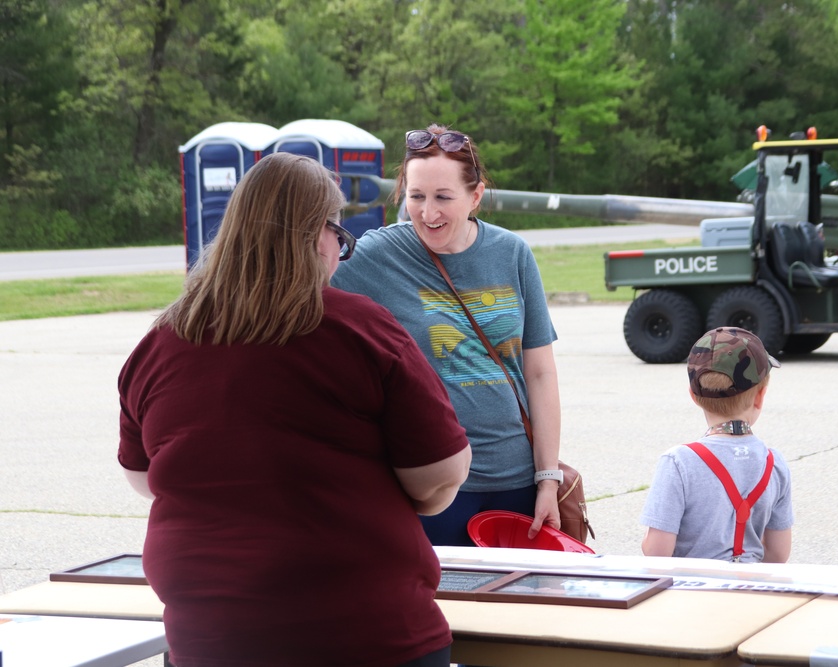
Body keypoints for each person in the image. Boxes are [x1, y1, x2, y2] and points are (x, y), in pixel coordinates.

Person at [117, 151, 472, 667]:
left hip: (210, 641)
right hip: (367, 639)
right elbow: (439, 477)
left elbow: (147, 480)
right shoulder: (357, 326)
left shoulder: (163, 341)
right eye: (340, 236)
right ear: (317, 234)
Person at [331, 123, 562, 546]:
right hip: (431, 487)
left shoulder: (512, 254)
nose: (427, 213)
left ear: (475, 197)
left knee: (517, 609)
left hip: (517, 481)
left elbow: (541, 373)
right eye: (416, 196)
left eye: (443, 197)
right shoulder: (379, 255)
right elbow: (300, 283)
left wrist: (547, 479)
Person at [640, 327, 793, 563]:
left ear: (693, 395)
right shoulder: (774, 462)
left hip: (694, 594)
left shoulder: (679, 462)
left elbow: (656, 552)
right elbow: (778, 554)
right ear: (760, 396)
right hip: (752, 593)